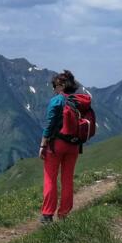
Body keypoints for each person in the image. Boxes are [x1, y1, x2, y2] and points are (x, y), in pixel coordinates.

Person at [39, 70, 82, 225]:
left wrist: (43, 145)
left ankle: (47, 215)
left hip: (56, 145)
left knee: (50, 178)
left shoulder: (57, 101)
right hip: (74, 146)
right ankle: (64, 214)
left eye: (55, 86)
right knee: (67, 179)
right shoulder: (79, 101)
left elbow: (50, 125)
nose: (54, 89)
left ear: (62, 86)